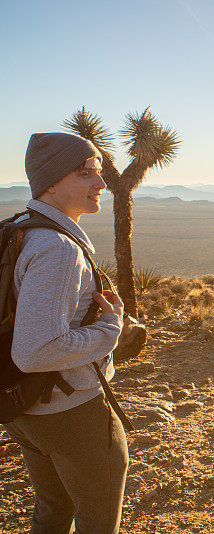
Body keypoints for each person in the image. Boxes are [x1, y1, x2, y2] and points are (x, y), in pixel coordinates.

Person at [1, 132, 128, 534]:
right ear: (51, 183)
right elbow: (36, 351)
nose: (101, 182)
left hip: (22, 407)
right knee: (96, 522)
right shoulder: (57, 249)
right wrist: (110, 330)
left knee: (53, 511)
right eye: (85, 172)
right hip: (70, 412)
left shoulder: (17, 229)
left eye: (98, 170)